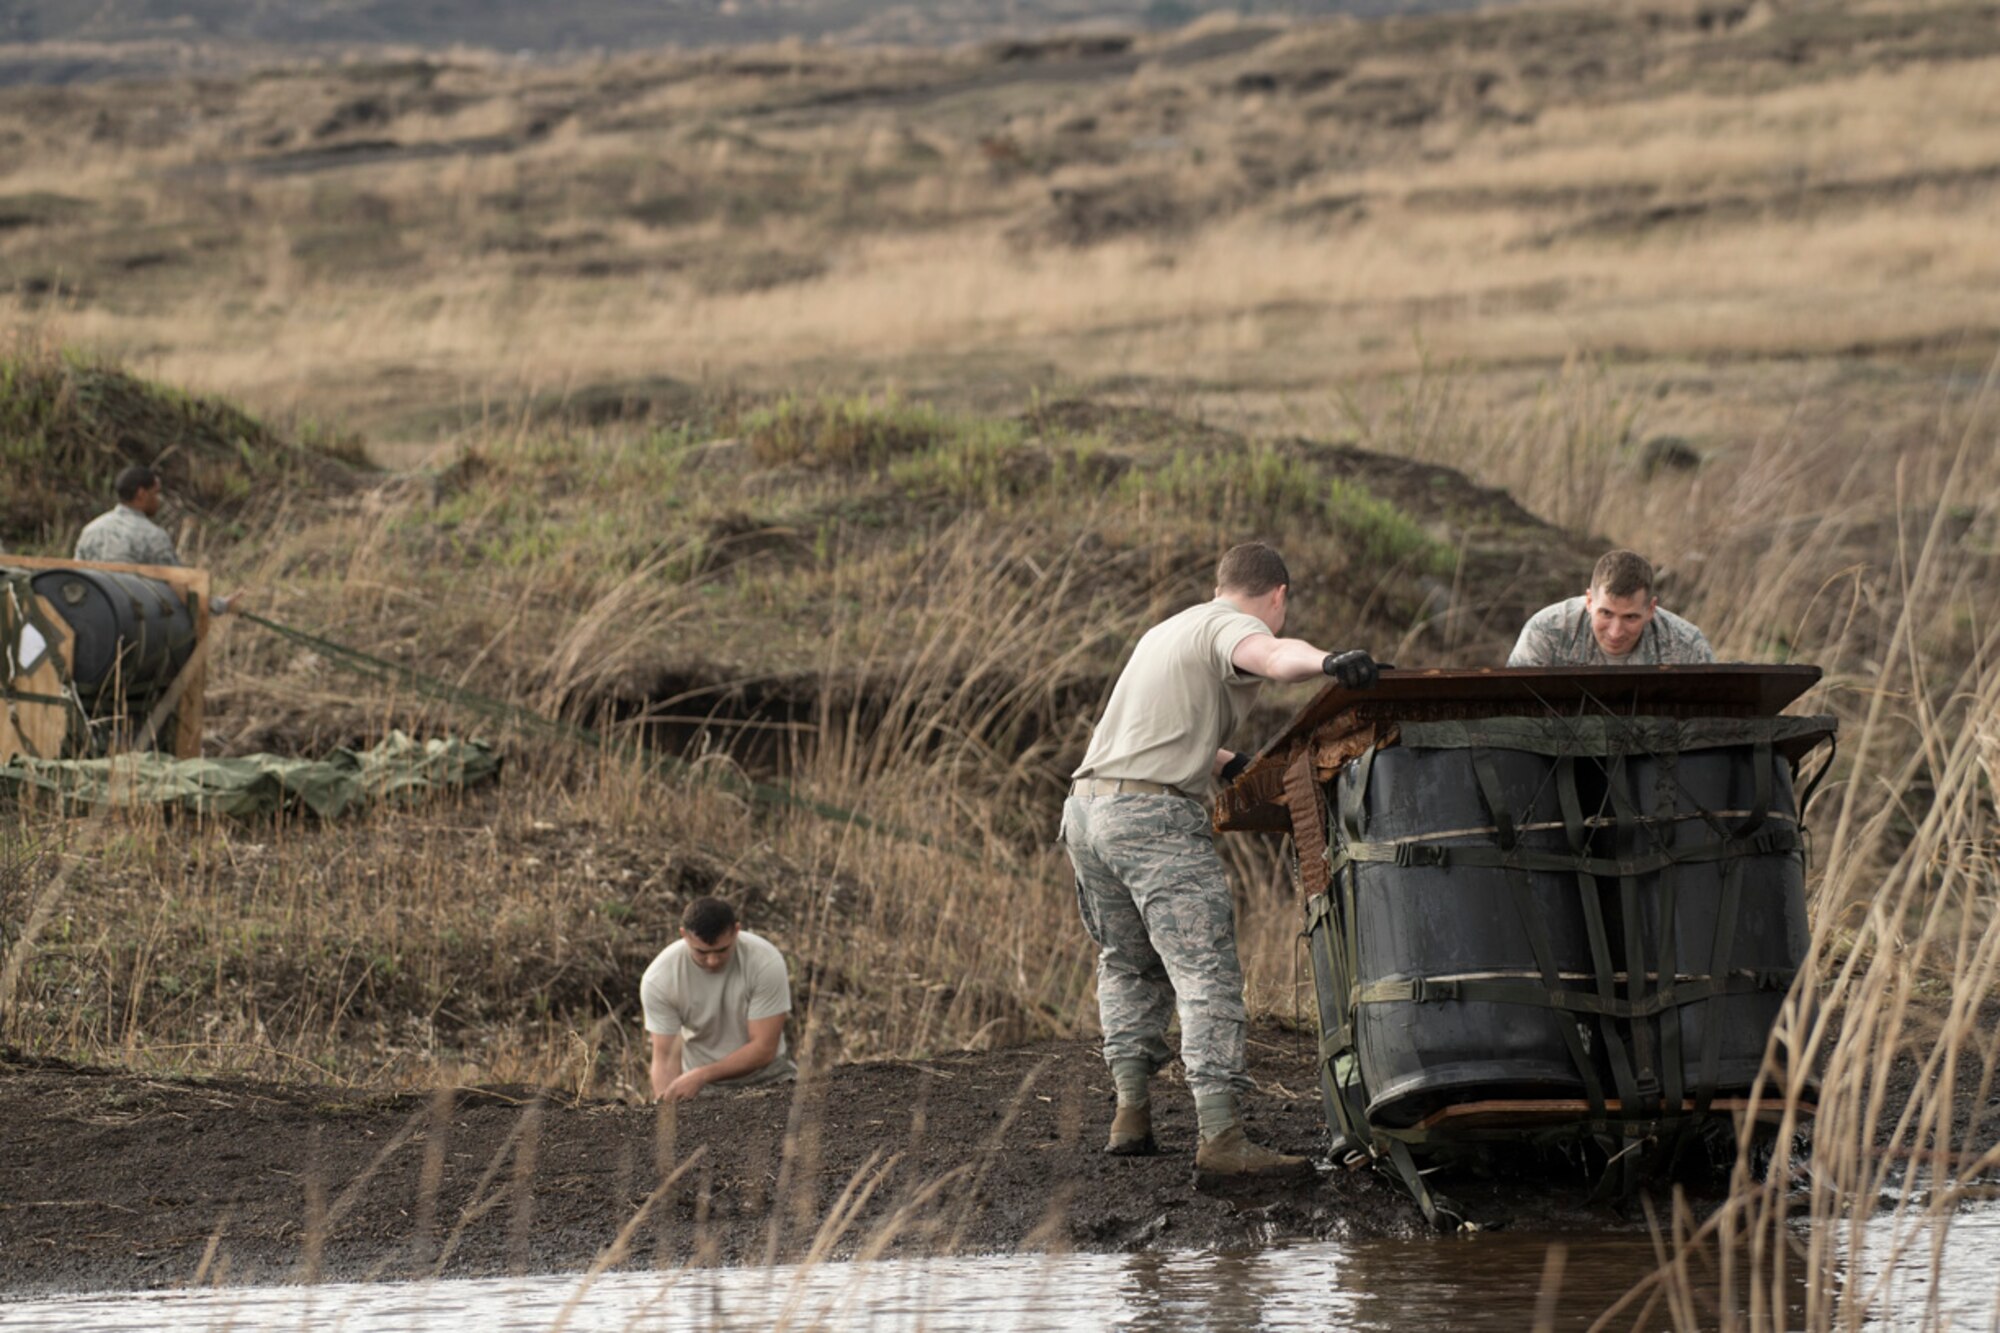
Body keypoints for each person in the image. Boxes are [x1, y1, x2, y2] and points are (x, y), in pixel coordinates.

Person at [1061, 541, 1380, 1178]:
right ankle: (1223, 1138)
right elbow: (1270, 654)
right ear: (1278, 597)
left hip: (1087, 812)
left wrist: (1231, 763)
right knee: (1205, 973)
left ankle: (1130, 1115)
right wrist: (1330, 663)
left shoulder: (1167, 631)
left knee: (1128, 963)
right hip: (1152, 819)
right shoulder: (1234, 625)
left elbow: (1151, 732)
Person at [641, 895, 796, 1102]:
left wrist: (702, 1074)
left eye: (722, 950)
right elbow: (665, 1058)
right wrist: (667, 1110)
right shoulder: (659, 979)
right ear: (684, 935)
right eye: (702, 952)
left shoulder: (765, 961)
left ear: (737, 931)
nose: (713, 961)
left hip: (768, 1075)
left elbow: (764, 1048)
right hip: (702, 1087)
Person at [74, 465, 243, 615]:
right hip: (133, 623)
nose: (158, 500)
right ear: (141, 494)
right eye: (155, 493)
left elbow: (77, 578)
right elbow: (181, 587)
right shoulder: (152, 535)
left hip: (93, 617)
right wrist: (221, 605)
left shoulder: (90, 530)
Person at [1508, 549, 1714, 667]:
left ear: (1651, 609)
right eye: (1606, 613)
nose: (1615, 632)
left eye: (1630, 617)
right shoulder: (1544, 633)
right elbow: (1511, 714)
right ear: (1589, 601)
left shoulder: (1687, 646)